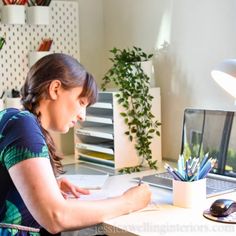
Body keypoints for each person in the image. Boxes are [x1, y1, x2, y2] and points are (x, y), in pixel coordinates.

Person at [0, 53, 151, 235]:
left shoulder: (16, 120)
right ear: (55, 89)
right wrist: (128, 202)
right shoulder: (22, 123)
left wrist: (48, 185)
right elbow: (56, 217)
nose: (83, 116)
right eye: (81, 102)